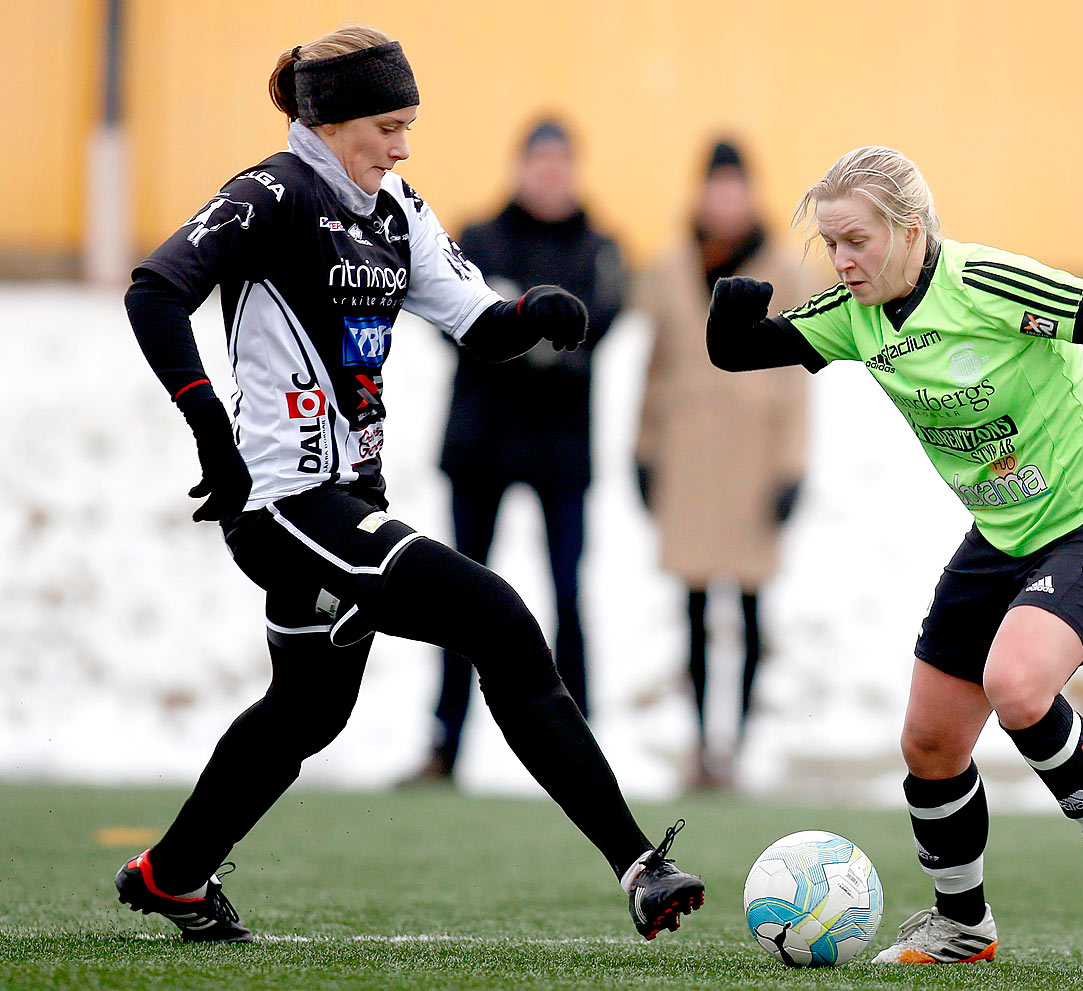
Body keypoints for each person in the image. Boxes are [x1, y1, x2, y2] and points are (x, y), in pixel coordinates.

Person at [113, 25, 702, 944]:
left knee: (308, 707)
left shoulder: (394, 211)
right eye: (388, 125)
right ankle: (638, 864)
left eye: (409, 125)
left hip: (346, 501)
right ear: (333, 119)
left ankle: (174, 875)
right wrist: (215, 440)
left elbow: (474, 319)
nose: (402, 145)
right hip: (285, 504)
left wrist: (530, 314)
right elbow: (154, 290)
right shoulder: (272, 193)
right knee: (498, 618)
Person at [707, 145, 1083, 962]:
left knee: (1016, 682)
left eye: (857, 240)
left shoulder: (985, 284)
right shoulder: (855, 314)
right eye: (830, 243)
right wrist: (727, 317)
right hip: (1003, 534)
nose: (841, 259)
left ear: (909, 230)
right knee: (931, 742)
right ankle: (963, 923)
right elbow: (742, 351)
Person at [406, 120, 626, 784]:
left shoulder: (600, 248)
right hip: (480, 444)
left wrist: (509, 329)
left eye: (562, 162)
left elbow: (598, 331)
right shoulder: (476, 238)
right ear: (520, 166)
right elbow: (455, 324)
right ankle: (445, 744)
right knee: (459, 599)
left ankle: (580, 745)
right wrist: (537, 340)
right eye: (540, 162)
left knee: (567, 594)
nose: (550, 175)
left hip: (562, 452)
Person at [635, 141, 812, 788]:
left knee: (750, 606)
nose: (725, 201)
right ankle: (701, 745)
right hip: (688, 454)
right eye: (716, 187)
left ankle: (736, 745)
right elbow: (653, 370)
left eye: (736, 188)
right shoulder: (670, 267)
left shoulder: (780, 270)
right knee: (692, 603)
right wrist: (642, 452)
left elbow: (798, 374)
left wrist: (793, 467)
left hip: (753, 457)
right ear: (701, 194)